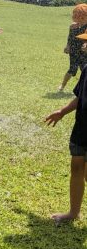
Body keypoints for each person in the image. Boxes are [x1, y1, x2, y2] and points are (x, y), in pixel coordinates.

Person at [45, 30, 87, 224]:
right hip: (81, 129)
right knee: (77, 168)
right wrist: (62, 112)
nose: (84, 46)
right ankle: (73, 212)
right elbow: (79, 97)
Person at [58, 3, 87, 92]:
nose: (80, 19)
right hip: (74, 51)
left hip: (84, 52)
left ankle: (83, 90)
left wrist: (86, 45)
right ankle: (62, 86)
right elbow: (70, 38)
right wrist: (67, 46)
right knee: (72, 69)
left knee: (84, 70)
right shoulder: (73, 26)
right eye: (78, 17)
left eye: (82, 17)